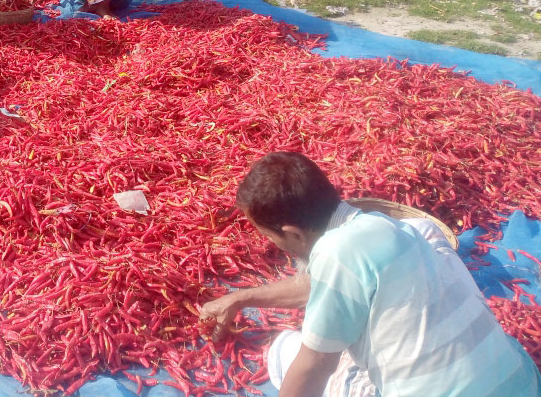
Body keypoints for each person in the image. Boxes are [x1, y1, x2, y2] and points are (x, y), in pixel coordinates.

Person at [199, 151, 541, 397]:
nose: (275, 246)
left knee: (285, 349)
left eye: (271, 237)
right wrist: (241, 297)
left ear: (294, 233)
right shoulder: (403, 229)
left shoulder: (337, 253)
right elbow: (321, 283)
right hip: (523, 383)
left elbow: (314, 367)